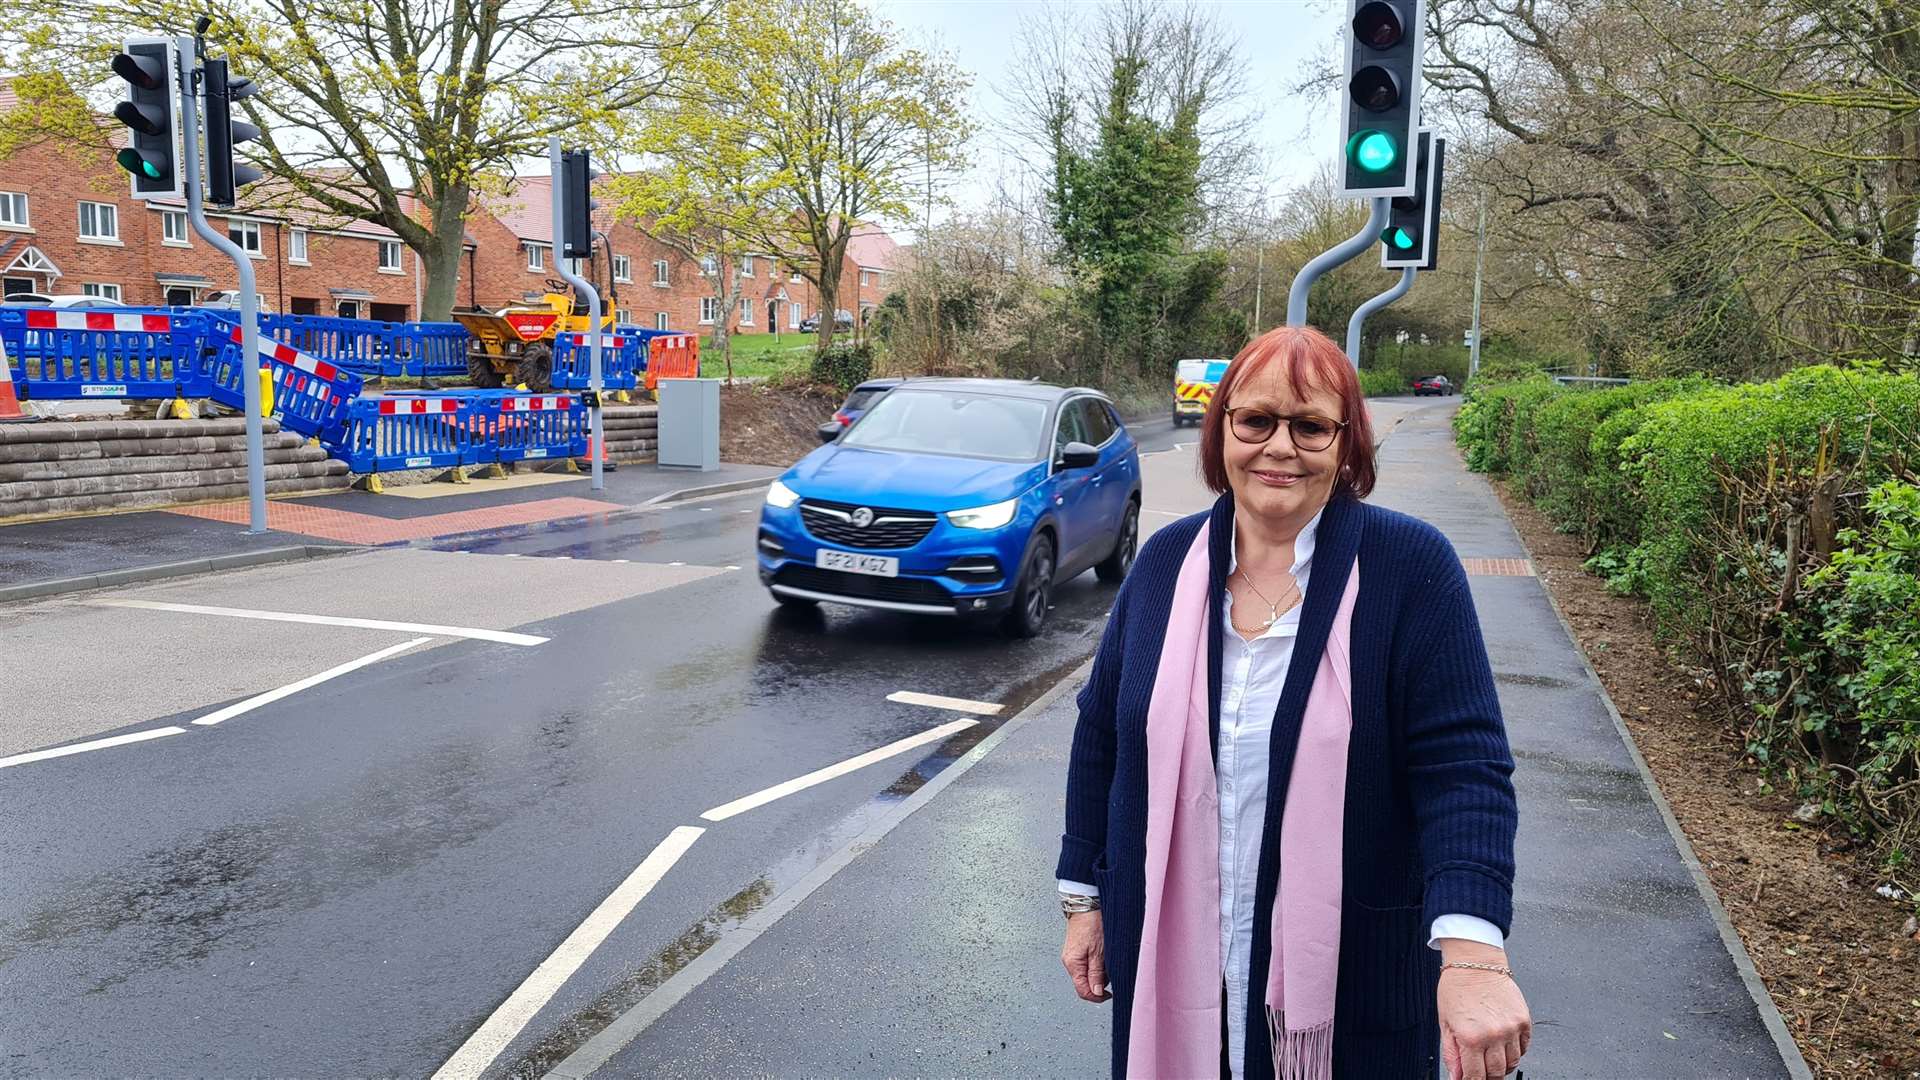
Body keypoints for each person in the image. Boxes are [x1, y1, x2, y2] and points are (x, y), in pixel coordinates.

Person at [1056, 326, 1530, 1079]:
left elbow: (1462, 766)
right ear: (1223, 432)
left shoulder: (1410, 567)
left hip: (1354, 974)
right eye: (1256, 421)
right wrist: (1085, 898)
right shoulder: (1164, 563)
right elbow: (1103, 738)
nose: (1280, 446)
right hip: (1171, 949)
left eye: (1310, 426)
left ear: (1346, 446)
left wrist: (1474, 953)